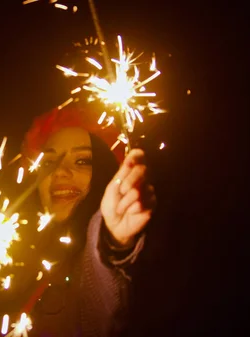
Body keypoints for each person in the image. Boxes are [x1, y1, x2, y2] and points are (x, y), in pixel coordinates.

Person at [15, 104, 157, 337]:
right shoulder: (15, 259)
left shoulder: (103, 258)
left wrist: (114, 240)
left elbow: (103, 305)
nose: (60, 171)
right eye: (49, 162)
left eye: (82, 161)